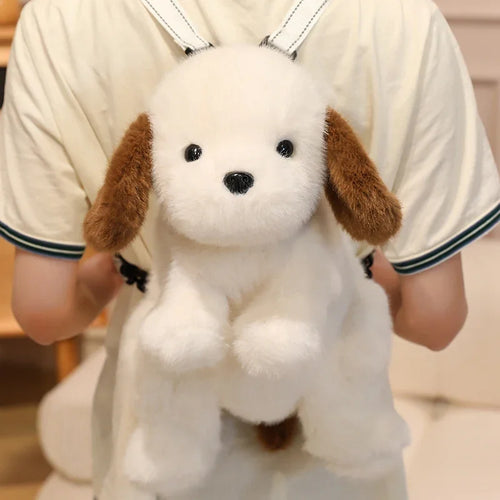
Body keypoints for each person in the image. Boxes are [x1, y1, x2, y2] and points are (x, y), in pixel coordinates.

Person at [1, 0, 499, 498]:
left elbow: (43, 310)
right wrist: (348, 277)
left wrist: (110, 275)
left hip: (159, 430)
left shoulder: (60, 17)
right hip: (334, 455)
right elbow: (437, 317)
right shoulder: (402, 17)